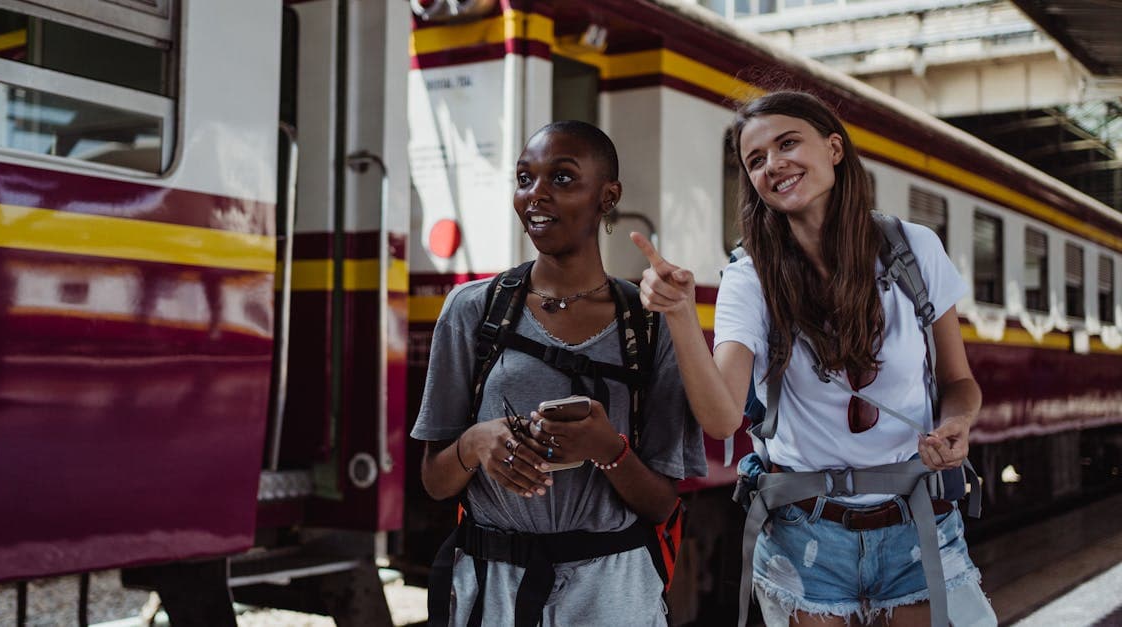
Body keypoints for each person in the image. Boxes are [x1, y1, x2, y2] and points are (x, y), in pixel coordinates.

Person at [632, 91, 991, 626]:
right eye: (755, 160)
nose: (773, 164)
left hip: (918, 522)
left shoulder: (914, 249)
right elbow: (722, 416)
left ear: (834, 148)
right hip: (805, 535)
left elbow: (959, 380)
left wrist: (957, 424)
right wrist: (682, 315)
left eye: (787, 143)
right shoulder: (748, 277)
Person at [411, 120, 707, 626]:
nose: (536, 196)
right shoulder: (473, 310)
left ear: (608, 196)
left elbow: (661, 504)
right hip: (493, 587)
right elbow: (436, 481)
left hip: (613, 592)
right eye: (524, 179)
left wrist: (606, 449)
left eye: (563, 179)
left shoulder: (651, 322)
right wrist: (476, 443)